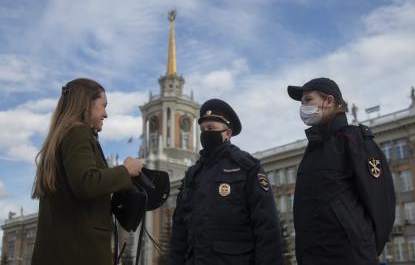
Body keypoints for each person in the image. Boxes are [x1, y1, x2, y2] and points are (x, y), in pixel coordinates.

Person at [31, 78, 143, 265]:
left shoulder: (61, 136)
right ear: (86, 105)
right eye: (103, 106)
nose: (106, 114)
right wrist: (126, 170)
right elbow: (86, 183)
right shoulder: (78, 133)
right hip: (80, 253)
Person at [287, 78, 396, 265]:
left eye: (308, 99)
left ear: (328, 101)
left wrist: (364, 248)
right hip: (313, 256)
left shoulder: (353, 139)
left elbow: (381, 202)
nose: (303, 106)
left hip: (348, 256)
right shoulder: (314, 149)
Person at [169, 99, 283, 265]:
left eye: (211, 129)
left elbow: (266, 227)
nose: (206, 133)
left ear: (227, 133)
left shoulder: (246, 167)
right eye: (203, 129)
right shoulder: (193, 175)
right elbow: (179, 232)